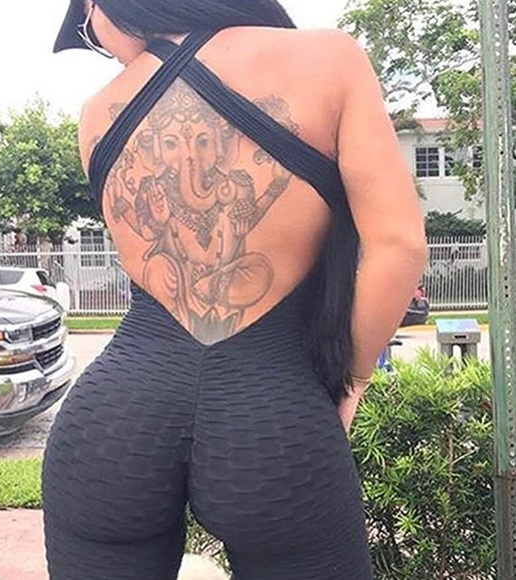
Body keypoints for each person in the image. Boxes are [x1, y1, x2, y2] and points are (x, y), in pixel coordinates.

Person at [43, 1, 428, 578]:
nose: (99, 45)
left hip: (113, 421)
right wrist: (350, 380)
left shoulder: (98, 113)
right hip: (271, 417)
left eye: (87, 27)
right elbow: (398, 245)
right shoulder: (328, 59)